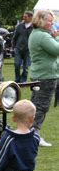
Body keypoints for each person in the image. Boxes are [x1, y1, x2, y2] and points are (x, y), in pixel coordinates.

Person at [28, 9, 59, 147]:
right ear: (40, 20)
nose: (52, 23)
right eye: (49, 20)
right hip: (46, 75)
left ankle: (30, 132)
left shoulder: (36, 34)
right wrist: (57, 37)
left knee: (35, 105)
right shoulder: (43, 36)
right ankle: (34, 134)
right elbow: (56, 50)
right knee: (41, 106)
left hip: (38, 74)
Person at [12, 11, 33, 83]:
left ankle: (23, 80)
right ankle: (17, 79)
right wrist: (13, 47)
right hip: (18, 48)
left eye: (25, 17)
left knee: (25, 67)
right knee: (17, 64)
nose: (23, 18)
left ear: (30, 17)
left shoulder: (34, 27)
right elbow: (15, 37)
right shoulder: (19, 26)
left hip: (28, 50)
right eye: (23, 16)